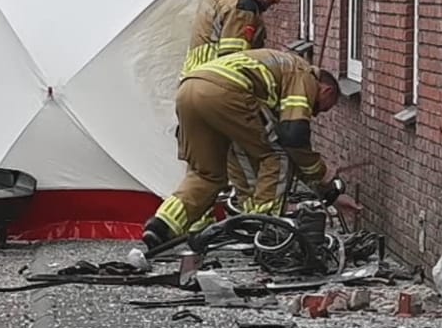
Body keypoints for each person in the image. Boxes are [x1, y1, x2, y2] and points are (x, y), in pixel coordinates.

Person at [142, 48, 341, 252]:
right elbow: (293, 136)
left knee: (207, 175)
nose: (315, 114)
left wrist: (320, 184)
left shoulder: (279, 66)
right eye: (322, 108)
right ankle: (266, 229)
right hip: (226, 92)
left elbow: (251, 141)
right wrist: (322, 173)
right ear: (327, 91)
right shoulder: (303, 74)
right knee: (277, 155)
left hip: (188, 89)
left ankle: (161, 226)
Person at [181, 0, 294, 229]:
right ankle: (255, 220)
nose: (277, 1)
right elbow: (236, 65)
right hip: (219, 90)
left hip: (191, 86)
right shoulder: (243, 8)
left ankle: (196, 229)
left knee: (205, 169)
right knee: (253, 152)